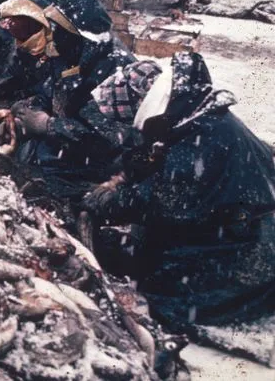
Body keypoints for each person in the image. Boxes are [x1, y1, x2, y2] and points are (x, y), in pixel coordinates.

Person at [83, 52, 275, 331]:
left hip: (251, 247)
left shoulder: (201, 138)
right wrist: (126, 177)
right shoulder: (198, 118)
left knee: (161, 296)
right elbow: (156, 166)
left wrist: (110, 199)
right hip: (241, 225)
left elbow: (162, 202)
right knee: (141, 254)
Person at [8, 0, 134, 205]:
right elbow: (50, 89)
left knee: (48, 172)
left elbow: (106, 137)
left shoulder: (116, 70)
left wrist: (49, 125)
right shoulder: (69, 52)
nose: (54, 35)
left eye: (59, 29)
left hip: (103, 158)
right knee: (27, 152)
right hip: (69, 140)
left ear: (77, 33)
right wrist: (31, 108)